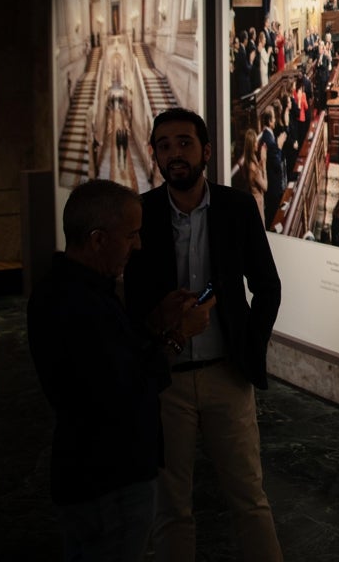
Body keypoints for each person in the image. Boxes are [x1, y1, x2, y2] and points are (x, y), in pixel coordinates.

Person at [124, 108, 284, 561]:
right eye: (164, 145)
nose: (175, 153)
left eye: (184, 142)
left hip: (225, 377)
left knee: (249, 499)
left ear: (206, 151)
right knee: (170, 508)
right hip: (166, 382)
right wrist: (159, 322)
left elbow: (267, 286)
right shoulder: (143, 212)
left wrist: (249, 348)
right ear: (155, 155)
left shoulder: (235, 208)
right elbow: (131, 301)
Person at [29, 179, 213, 562]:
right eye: (131, 235)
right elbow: (126, 388)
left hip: (89, 474)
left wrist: (154, 322)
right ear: (97, 239)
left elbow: (112, 358)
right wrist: (179, 334)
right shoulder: (79, 303)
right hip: (109, 480)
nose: (139, 245)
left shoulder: (70, 289)